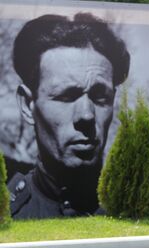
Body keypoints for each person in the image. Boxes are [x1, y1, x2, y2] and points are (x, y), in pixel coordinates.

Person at [8, 13, 130, 219]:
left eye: (100, 97)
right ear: (28, 106)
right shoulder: (8, 216)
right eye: (66, 96)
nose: (86, 115)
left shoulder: (137, 215)